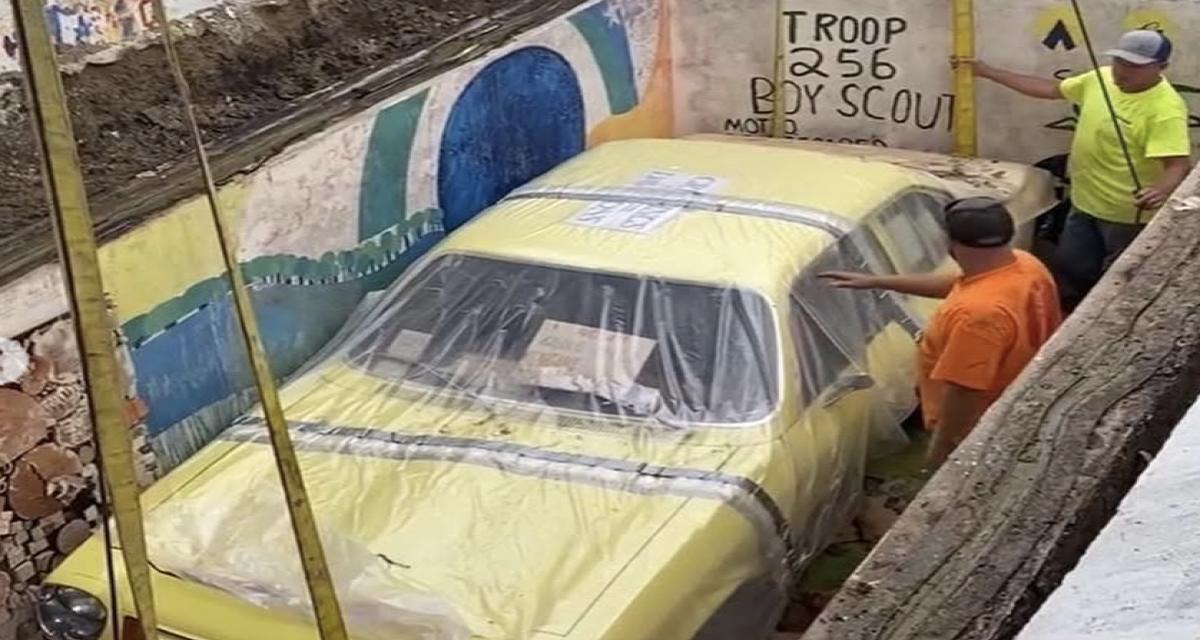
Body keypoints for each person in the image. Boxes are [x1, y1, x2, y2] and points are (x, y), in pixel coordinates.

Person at [958, 30, 1192, 312]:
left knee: (1116, 285)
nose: (1123, 71)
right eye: (1120, 61)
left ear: (1161, 67)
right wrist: (987, 72)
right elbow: (1048, 89)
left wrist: (1160, 190)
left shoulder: (1165, 110)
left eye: (1135, 66)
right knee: (1069, 271)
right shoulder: (1101, 78)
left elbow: (1177, 165)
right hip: (1083, 204)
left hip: (1126, 216)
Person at [820, 197, 1061, 469]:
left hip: (980, 428)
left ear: (951, 244)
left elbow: (963, 394)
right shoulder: (1024, 265)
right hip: (1015, 399)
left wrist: (942, 450)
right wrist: (877, 281)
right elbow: (958, 285)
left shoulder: (977, 317)